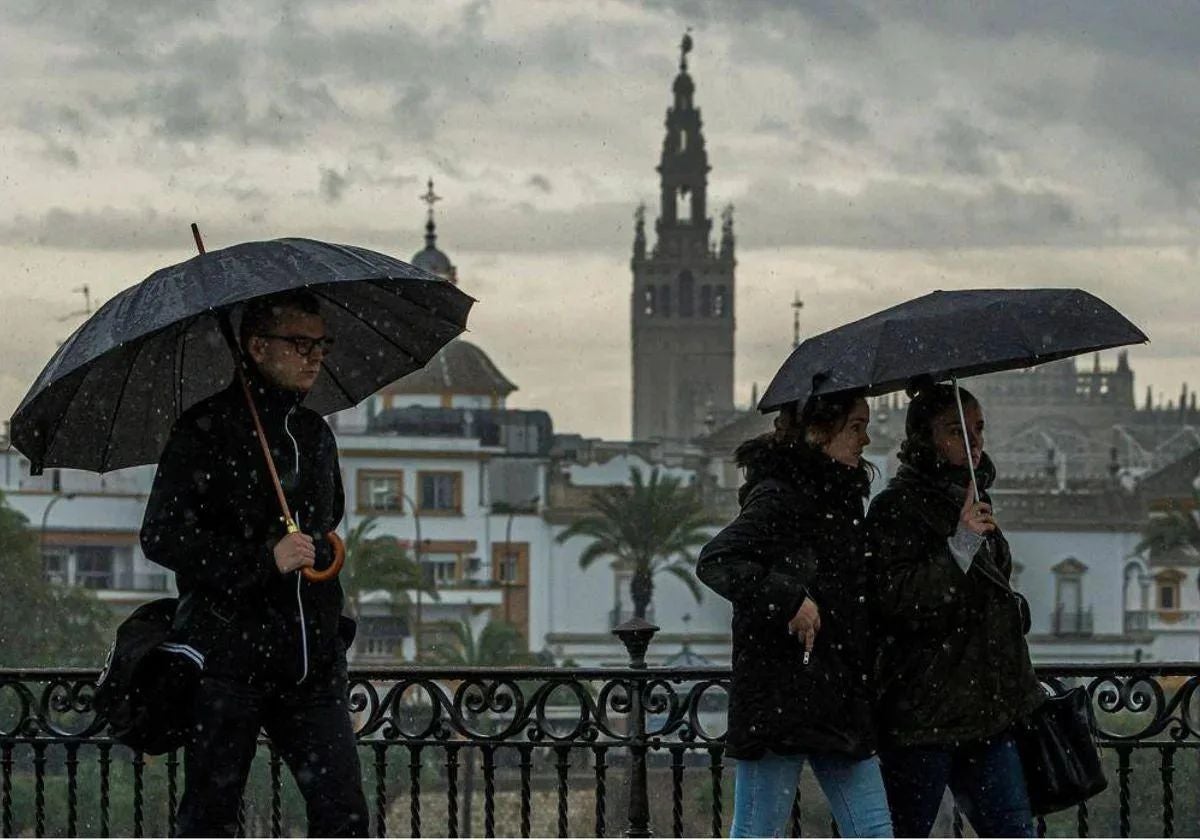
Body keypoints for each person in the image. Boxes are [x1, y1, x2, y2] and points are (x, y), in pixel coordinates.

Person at [141, 290, 368, 837]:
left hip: (310, 663)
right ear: (258, 347)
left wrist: (316, 555)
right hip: (228, 663)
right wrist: (263, 560)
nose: (315, 356)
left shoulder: (314, 434)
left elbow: (326, 516)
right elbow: (162, 536)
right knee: (212, 816)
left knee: (343, 810)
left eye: (322, 344)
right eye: (300, 343)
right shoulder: (206, 431)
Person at [696, 393, 893, 838]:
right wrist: (790, 601)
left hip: (834, 695)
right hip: (784, 697)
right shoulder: (779, 497)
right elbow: (717, 560)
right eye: (855, 426)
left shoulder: (842, 498)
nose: (866, 438)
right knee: (757, 830)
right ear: (819, 432)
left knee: (873, 831)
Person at [866, 383, 1043, 838]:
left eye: (979, 428)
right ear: (925, 440)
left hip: (987, 714)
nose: (974, 440)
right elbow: (901, 602)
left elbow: (988, 588)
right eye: (956, 430)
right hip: (924, 720)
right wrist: (962, 544)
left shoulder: (975, 499)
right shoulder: (896, 509)